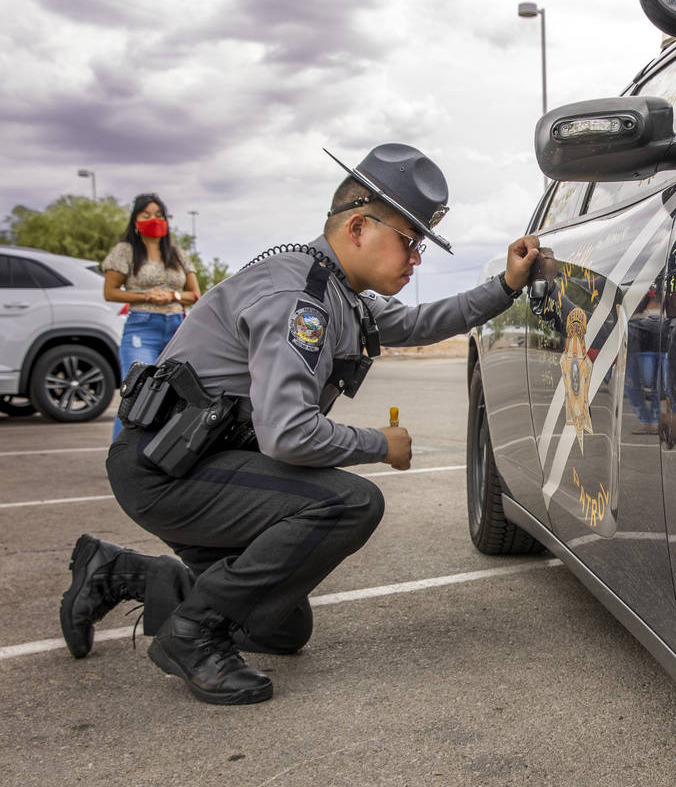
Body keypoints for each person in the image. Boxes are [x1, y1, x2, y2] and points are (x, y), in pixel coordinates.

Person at [60, 143, 537, 705]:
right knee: (351, 502)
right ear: (359, 226)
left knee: (281, 629)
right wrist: (379, 445)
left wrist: (506, 284)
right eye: (409, 241)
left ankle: (119, 572)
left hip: (203, 463)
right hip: (169, 470)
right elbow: (286, 435)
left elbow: (422, 322)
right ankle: (189, 637)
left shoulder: (338, 291)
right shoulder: (300, 298)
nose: (417, 259)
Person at [102, 193, 201, 438]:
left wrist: (173, 296)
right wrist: (147, 296)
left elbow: (194, 294)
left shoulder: (177, 254)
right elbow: (111, 292)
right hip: (143, 328)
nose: (153, 219)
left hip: (177, 328)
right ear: (136, 221)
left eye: (158, 215)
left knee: (178, 394)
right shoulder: (125, 251)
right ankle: (122, 459)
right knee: (137, 392)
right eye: (146, 215)